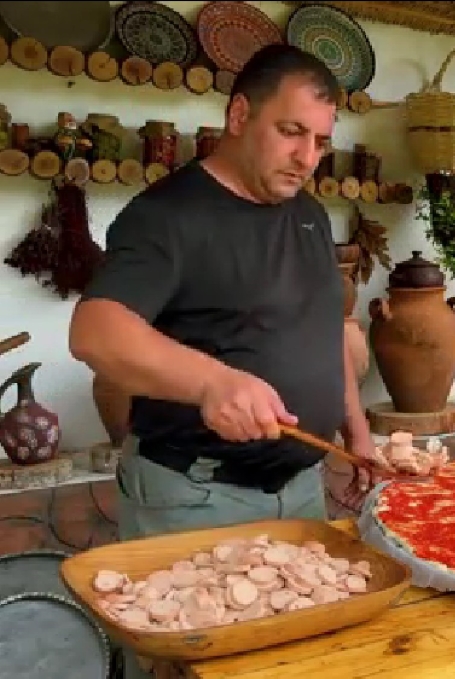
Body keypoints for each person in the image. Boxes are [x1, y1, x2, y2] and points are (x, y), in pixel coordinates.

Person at [68, 44, 378, 678]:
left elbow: (323, 331)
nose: (307, 157)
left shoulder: (310, 217)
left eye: (320, 141)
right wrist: (213, 382)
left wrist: (357, 431)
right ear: (239, 116)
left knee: (298, 667)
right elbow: (95, 331)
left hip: (302, 492)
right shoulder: (167, 216)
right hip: (198, 496)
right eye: (290, 131)